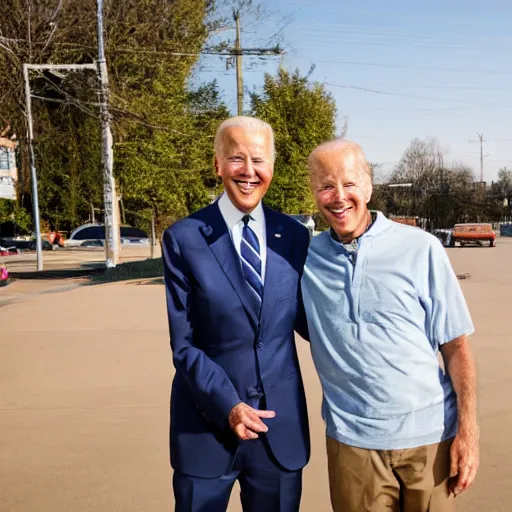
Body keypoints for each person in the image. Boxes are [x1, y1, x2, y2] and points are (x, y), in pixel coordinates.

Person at [301, 139, 479, 512]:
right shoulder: (305, 258)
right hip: (353, 445)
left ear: (368, 185)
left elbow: (456, 347)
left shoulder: (422, 248)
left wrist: (468, 431)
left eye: (349, 183)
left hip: (430, 441)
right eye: (325, 185)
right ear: (313, 192)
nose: (338, 196)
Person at [162, 116, 310, 512]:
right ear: (217, 165)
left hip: (279, 432)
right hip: (205, 427)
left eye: (258, 160)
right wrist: (229, 405)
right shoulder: (183, 238)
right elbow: (184, 344)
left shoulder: (294, 237)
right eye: (236, 158)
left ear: (272, 168)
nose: (248, 171)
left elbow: (312, 321)